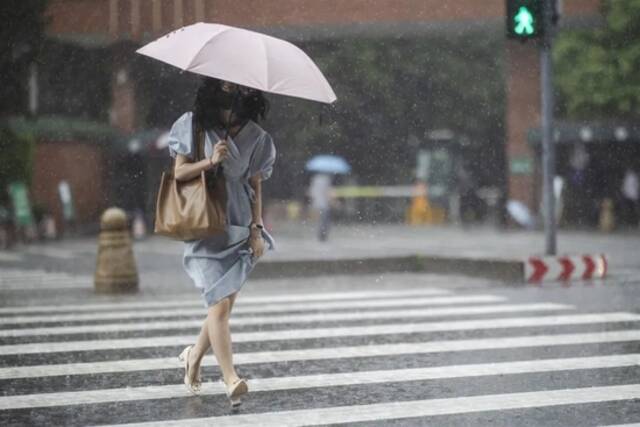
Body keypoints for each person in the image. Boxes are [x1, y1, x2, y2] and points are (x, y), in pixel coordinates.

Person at [167, 77, 276, 407]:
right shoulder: (193, 125)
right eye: (226, 85)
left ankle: (193, 357)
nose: (232, 90)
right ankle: (230, 378)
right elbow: (179, 173)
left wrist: (257, 230)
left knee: (222, 307)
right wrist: (210, 161)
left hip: (240, 227)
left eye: (239, 86)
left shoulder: (257, 137)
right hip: (206, 226)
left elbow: (256, 186)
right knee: (218, 307)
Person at [309, 172, 332, 241]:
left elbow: (312, 192)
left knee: (320, 221)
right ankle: (323, 236)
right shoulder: (327, 180)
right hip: (324, 204)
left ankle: (320, 235)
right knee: (324, 221)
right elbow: (327, 193)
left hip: (316, 204)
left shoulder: (315, 179)